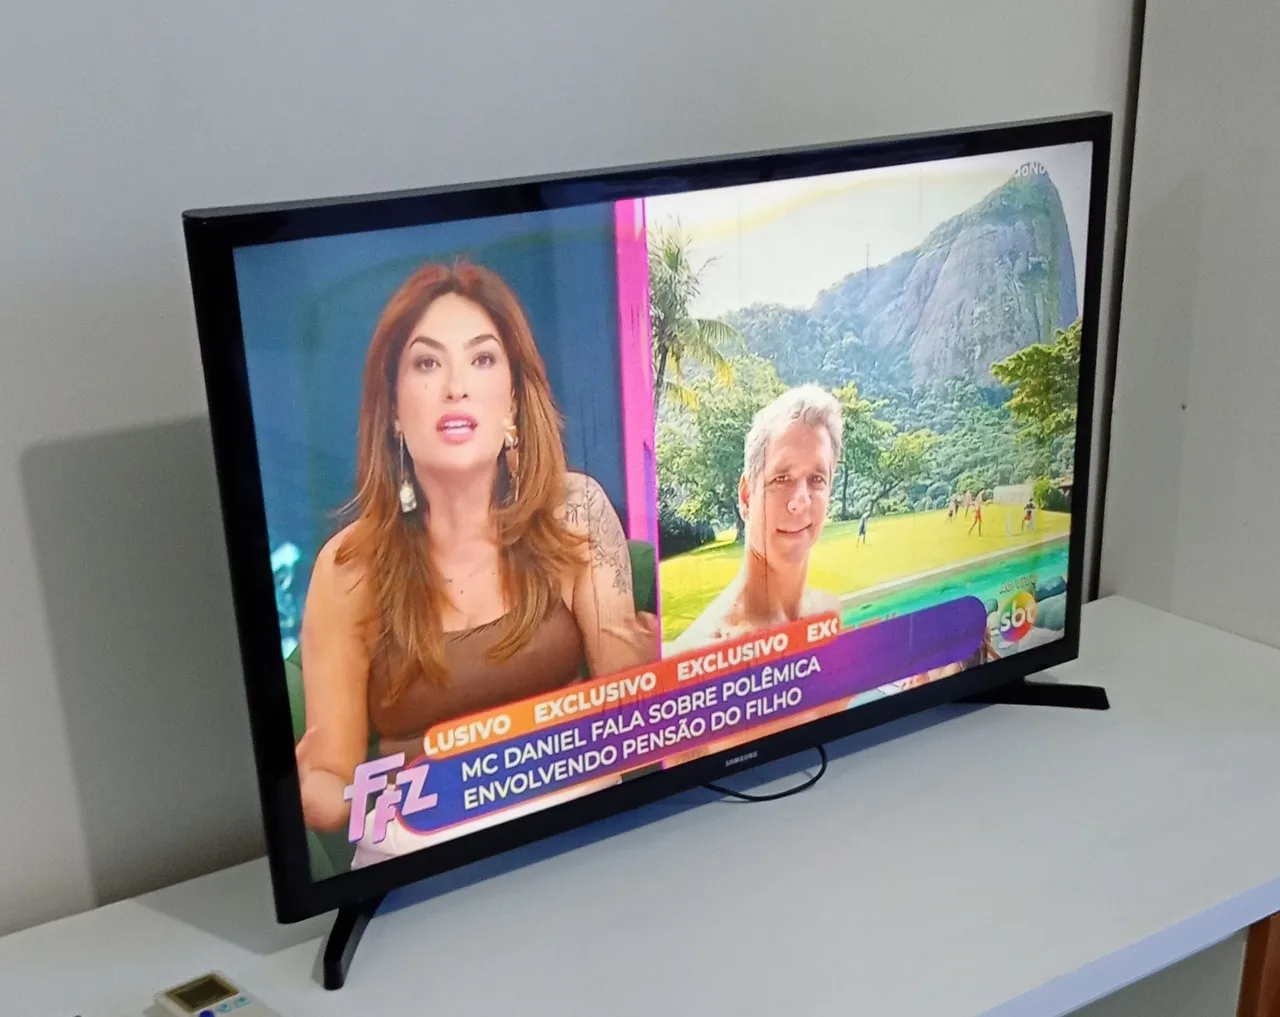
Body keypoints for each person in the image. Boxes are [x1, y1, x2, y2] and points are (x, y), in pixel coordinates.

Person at [295, 261, 660, 836]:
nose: (455, 386)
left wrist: (658, 678)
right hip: (425, 853)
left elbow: (630, 720)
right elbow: (330, 781)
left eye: (482, 359)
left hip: (581, 828)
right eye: (427, 363)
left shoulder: (576, 512)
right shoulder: (349, 568)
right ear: (394, 411)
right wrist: (309, 792)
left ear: (512, 402)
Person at [668, 385, 842, 653]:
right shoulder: (710, 654)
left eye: (817, 479)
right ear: (746, 496)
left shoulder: (827, 617)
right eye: (781, 479)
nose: (801, 501)